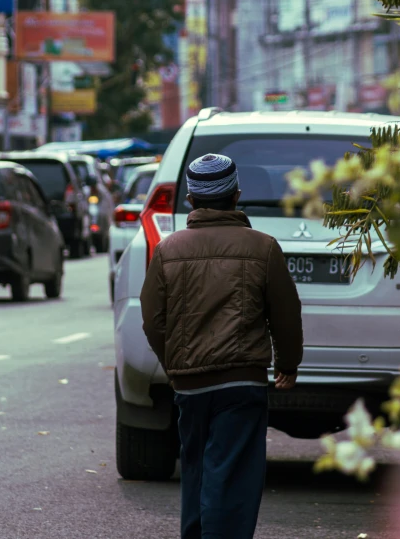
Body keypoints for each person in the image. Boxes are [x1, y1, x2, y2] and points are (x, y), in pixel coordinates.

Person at [140, 153, 303, 539]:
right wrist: (288, 362)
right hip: (241, 383)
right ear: (236, 196)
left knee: (196, 470)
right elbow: (285, 312)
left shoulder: (168, 250)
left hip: (189, 387)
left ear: (191, 201)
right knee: (232, 478)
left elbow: (153, 321)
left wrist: (176, 364)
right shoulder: (263, 248)